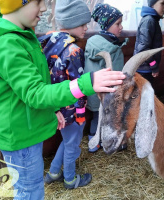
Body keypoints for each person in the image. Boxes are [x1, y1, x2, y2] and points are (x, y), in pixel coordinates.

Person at [0, 0, 125, 199]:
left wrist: (52, 111)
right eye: (38, 2)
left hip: (27, 129)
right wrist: (87, 83)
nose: (43, 8)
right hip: (20, 136)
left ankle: (54, 172)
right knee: (30, 192)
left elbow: (34, 84)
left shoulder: (27, 37)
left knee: (32, 187)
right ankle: (68, 177)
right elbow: (34, 93)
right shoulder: (7, 44)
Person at [38, 0, 94, 189]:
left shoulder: (46, 42)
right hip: (71, 109)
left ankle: (54, 172)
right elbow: (79, 86)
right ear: (71, 22)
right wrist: (80, 113)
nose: (86, 28)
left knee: (67, 139)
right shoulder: (74, 50)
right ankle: (70, 179)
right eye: (82, 23)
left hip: (54, 106)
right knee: (73, 144)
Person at [84, 3, 128, 153]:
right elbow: (116, 74)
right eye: (118, 23)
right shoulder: (113, 49)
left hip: (91, 90)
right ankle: (104, 143)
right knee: (107, 119)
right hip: (107, 94)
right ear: (106, 25)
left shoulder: (91, 42)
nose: (121, 27)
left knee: (96, 117)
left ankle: (92, 142)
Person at [133, 0, 164, 84]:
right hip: (144, 68)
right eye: (162, 3)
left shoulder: (153, 20)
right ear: (152, 4)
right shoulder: (149, 21)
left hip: (146, 67)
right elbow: (143, 49)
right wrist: (154, 65)